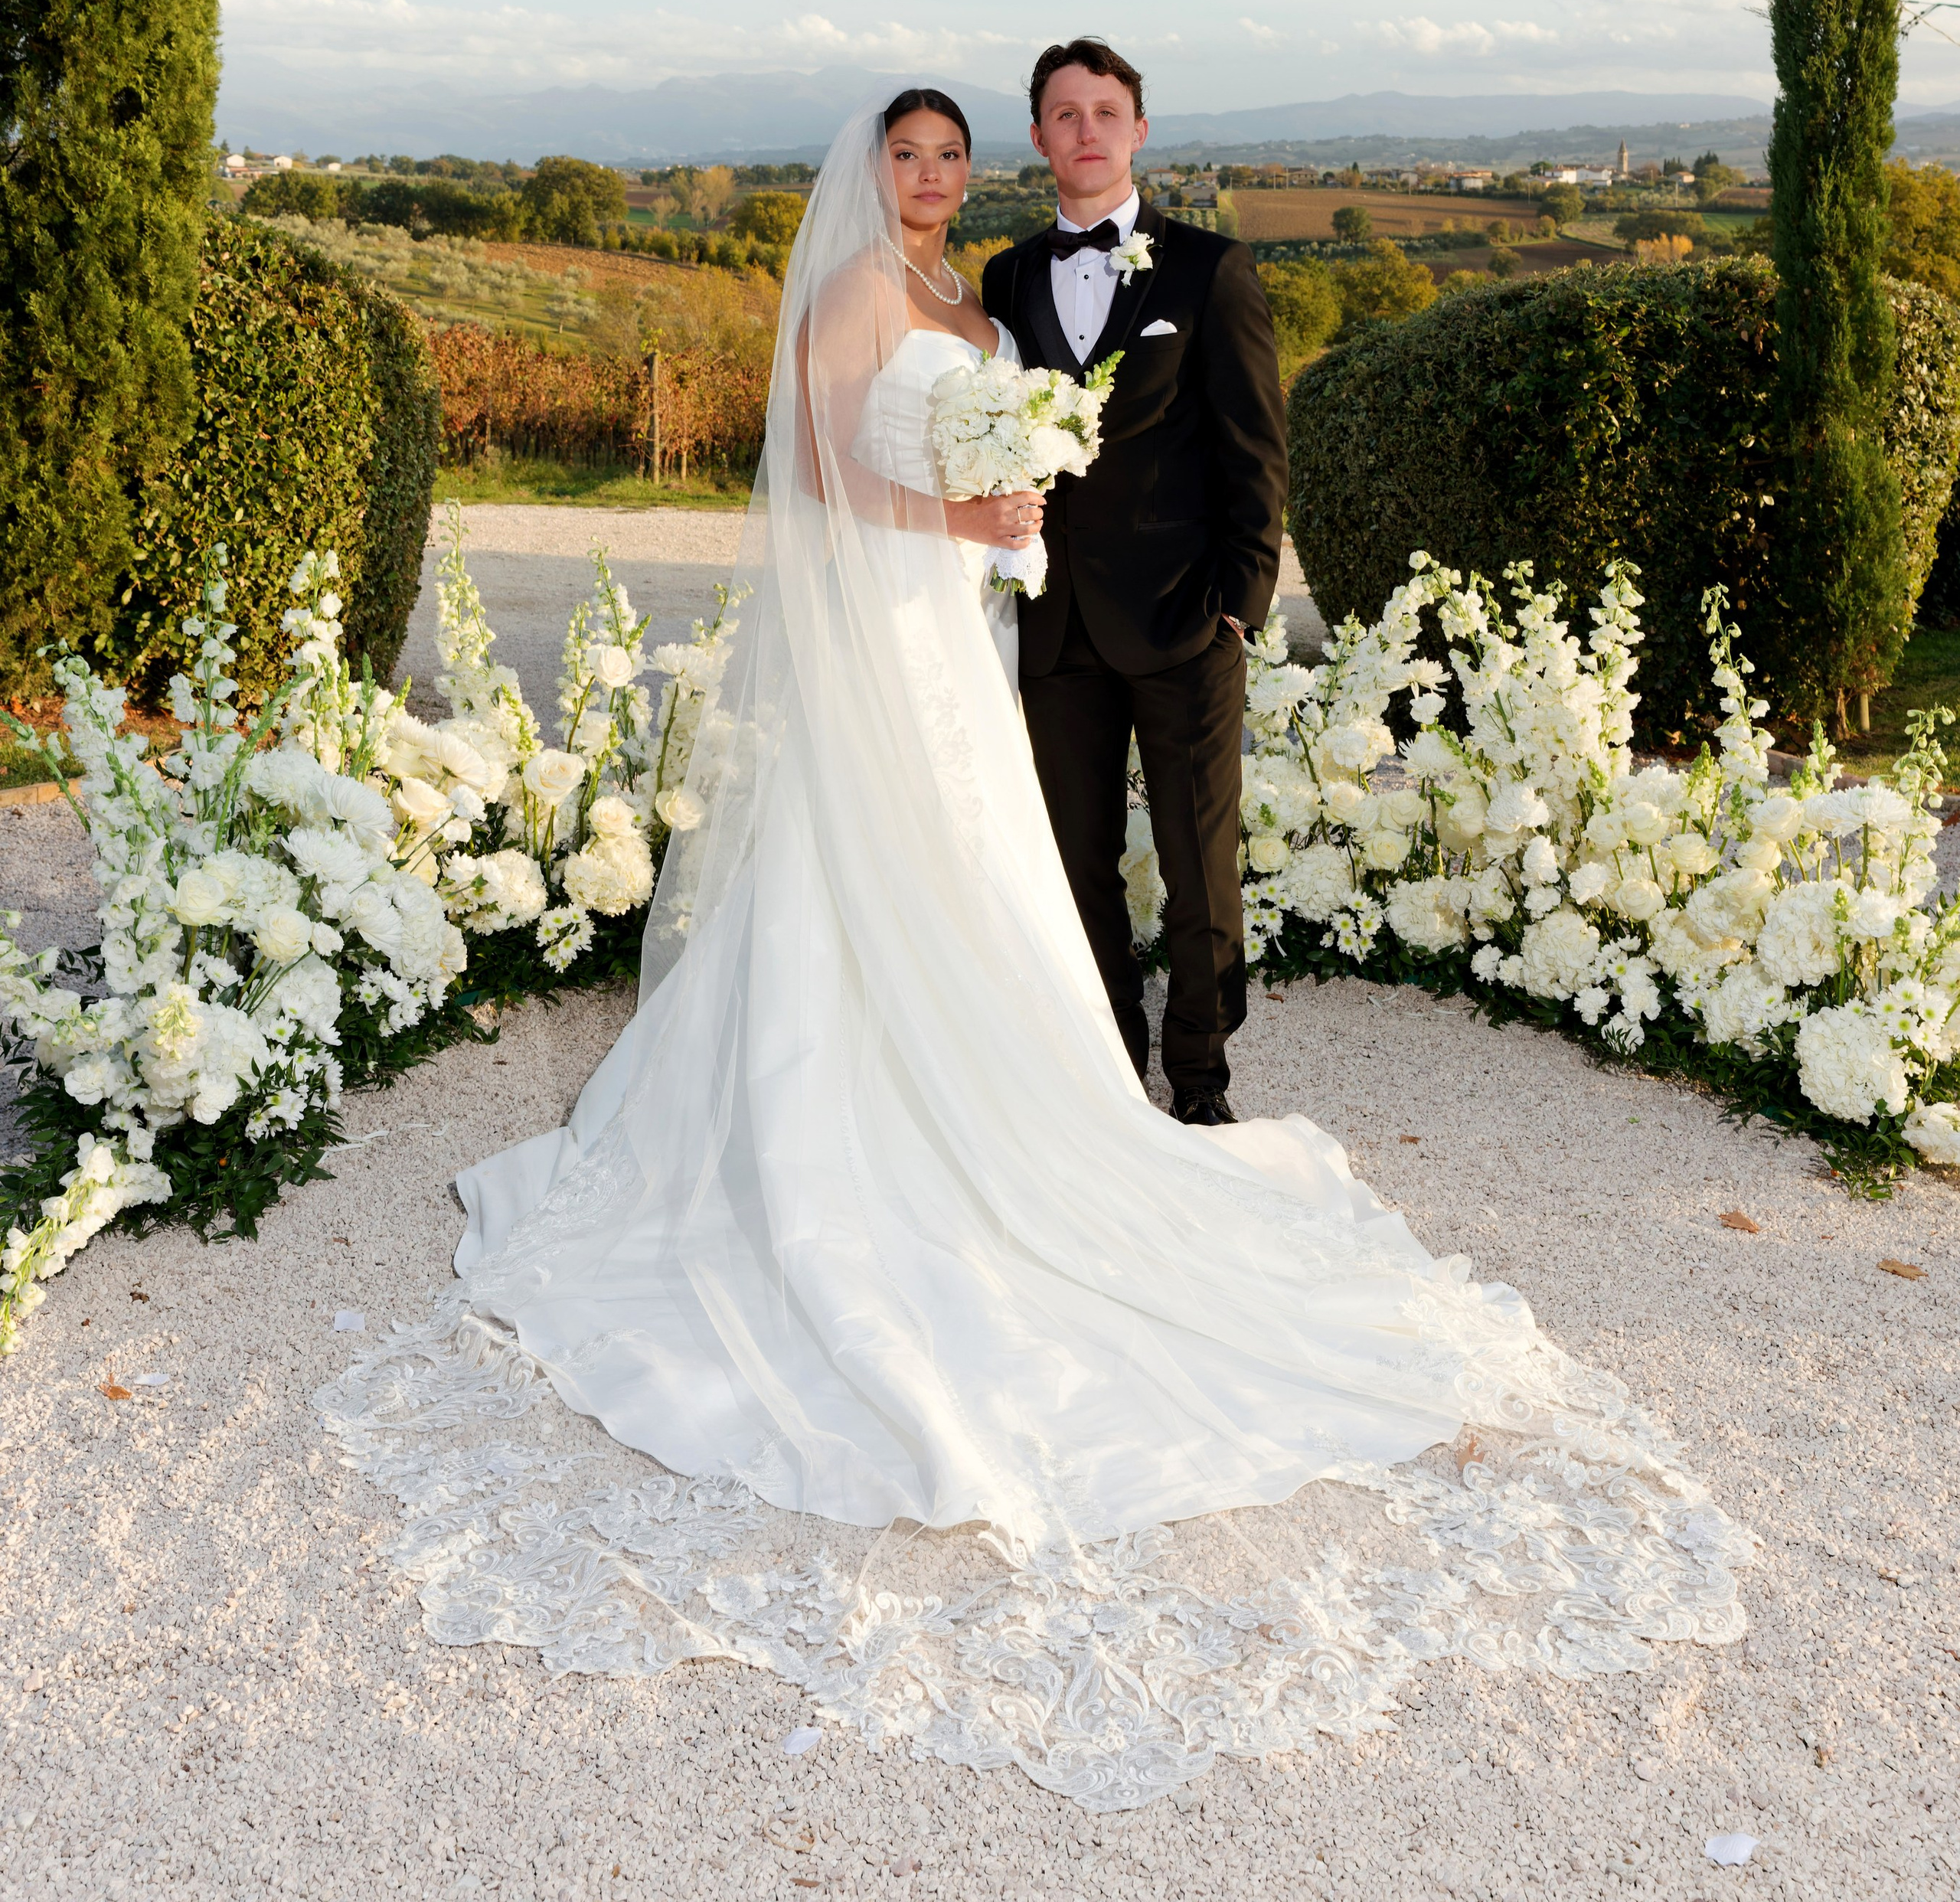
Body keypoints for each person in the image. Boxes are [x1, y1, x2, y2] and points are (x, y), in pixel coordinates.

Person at [321, 87, 1746, 1809]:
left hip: (964, 645)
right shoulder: (859, 296)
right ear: (872, 175)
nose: (931, 178)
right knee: (868, 895)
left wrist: (1027, 520)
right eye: (908, 157)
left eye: (949, 159)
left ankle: (1100, 1105)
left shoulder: (979, 308)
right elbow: (840, 473)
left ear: (1005, 166)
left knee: (999, 888)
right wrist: (975, 525)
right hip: (891, 636)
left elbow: (1088, 449)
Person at [983, 39, 1285, 1124]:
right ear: (1039, 139)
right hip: (1056, 626)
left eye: (1106, 111)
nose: (1087, 131)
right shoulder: (1007, 277)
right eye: (1065, 115)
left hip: (1184, 618)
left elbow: (1256, 450)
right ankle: (1111, 1070)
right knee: (1078, 864)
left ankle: (1200, 1078)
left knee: (1201, 874)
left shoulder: (1211, 271)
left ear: (1139, 130)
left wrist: (1239, 611)